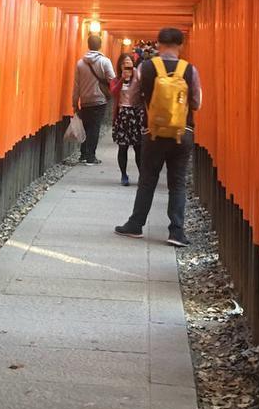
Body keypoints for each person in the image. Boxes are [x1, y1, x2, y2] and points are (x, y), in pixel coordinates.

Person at [114, 27, 202, 247]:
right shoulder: (190, 70)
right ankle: (176, 232)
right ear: (181, 46)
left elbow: (133, 97)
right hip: (183, 133)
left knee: (148, 179)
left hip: (152, 133)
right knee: (178, 182)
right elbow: (197, 103)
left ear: (159, 44)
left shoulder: (145, 67)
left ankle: (136, 224)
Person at [72, 34, 116, 165]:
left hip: (85, 100)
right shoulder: (104, 61)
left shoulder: (80, 63)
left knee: (85, 126)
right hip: (99, 99)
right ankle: (91, 156)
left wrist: (74, 102)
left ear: (88, 45)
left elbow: (76, 85)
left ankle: (83, 154)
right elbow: (112, 80)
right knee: (94, 127)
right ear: (100, 46)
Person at [109, 53, 145, 186]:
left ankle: (142, 175)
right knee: (122, 147)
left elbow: (144, 89)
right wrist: (121, 80)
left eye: (129, 62)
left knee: (138, 148)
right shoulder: (115, 79)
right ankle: (124, 174)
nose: (127, 65)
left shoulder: (138, 76)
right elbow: (113, 92)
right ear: (120, 65)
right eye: (124, 63)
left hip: (136, 114)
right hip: (122, 114)